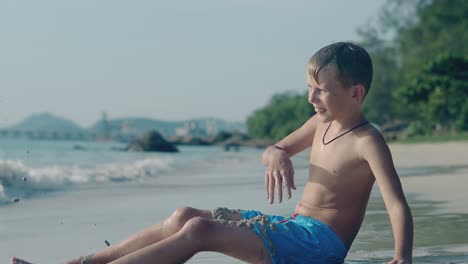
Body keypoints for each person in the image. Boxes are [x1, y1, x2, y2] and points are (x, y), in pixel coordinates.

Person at [12, 41, 413, 264]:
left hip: (318, 248)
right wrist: (274, 153)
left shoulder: (367, 141)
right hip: (291, 227)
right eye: (309, 87)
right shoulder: (319, 124)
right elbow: (276, 148)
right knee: (185, 215)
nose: (311, 98)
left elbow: (396, 204)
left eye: (320, 90)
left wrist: (402, 258)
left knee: (199, 232)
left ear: (356, 92)